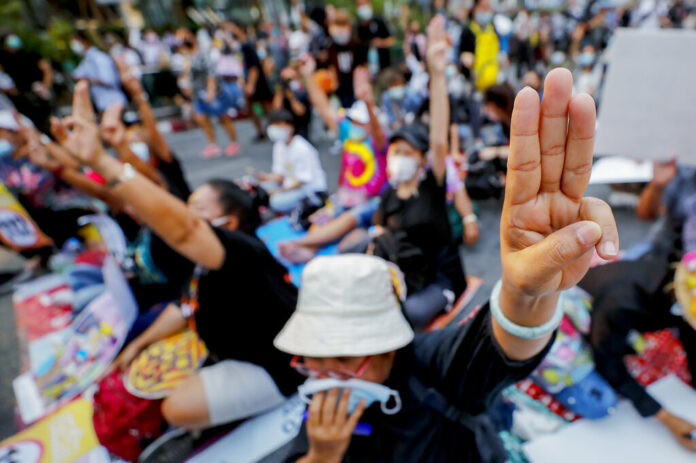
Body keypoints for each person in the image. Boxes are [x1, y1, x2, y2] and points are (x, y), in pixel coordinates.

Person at [274, 30, 620, 461]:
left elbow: (499, 346)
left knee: (423, 310)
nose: (326, 376)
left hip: (434, 282)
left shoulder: (429, 368)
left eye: (343, 356)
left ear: (385, 345)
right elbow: (359, 221)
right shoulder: (317, 418)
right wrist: (321, 456)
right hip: (398, 275)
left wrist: (527, 291)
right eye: (312, 357)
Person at [55, 81, 304, 432]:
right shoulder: (198, 262)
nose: (185, 214)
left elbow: (185, 228)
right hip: (227, 350)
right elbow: (183, 305)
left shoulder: (243, 252)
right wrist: (138, 346)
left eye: (196, 209)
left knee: (174, 409)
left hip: (277, 368)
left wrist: (102, 160)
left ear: (227, 223)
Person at [299, 51, 387, 209]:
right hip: (346, 199)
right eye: (353, 120)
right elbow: (324, 107)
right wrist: (309, 76)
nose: (355, 124)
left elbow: (378, 131)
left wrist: (367, 103)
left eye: (360, 122)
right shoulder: (347, 134)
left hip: (372, 202)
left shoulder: (378, 141)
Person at [255, 110, 328, 213]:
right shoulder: (279, 145)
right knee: (262, 188)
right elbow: (279, 174)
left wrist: (279, 191)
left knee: (276, 201)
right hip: (289, 184)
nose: (274, 129)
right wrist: (265, 177)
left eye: (278, 125)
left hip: (309, 189)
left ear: (290, 127)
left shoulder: (302, 148)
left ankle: (307, 204)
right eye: (273, 125)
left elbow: (302, 180)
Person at [185, 36, 241, 158]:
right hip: (198, 95)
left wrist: (211, 91)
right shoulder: (189, 58)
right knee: (202, 118)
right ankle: (213, 144)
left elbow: (211, 74)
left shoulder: (202, 55)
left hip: (213, 93)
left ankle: (233, 143)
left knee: (224, 117)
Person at [229, 22, 274, 142]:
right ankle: (261, 131)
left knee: (266, 106)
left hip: (256, 81)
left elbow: (254, 67)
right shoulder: (238, 46)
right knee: (251, 107)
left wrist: (250, 84)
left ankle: (274, 127)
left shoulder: (247, 45)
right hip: (247, 81)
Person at [0, 34, 53, 132]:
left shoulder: (30, 54)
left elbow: (47, 69)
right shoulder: (4, 59)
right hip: (22, 99)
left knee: (50, 120)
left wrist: (45, 87)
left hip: (38, 93)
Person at [70, 30, 127, 113]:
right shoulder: (87, 59)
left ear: (84, 41)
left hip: (113, 103)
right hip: (103, 105)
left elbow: (108, 79)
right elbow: (76, 74)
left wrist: (88, 80)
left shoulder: (99, 58)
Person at [328, 9, 368, 108]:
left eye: (343, 24)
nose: (341, 28)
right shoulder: (331, 47)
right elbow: (331, 66)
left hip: (355, 84)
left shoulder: (357, 45)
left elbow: (363, 66)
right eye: (338, 24)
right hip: (339, 85)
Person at [458, 0, 500, 91]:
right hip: (474, 83)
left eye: (488, 7)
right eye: (483, 7)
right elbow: (461, 53)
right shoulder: (468, 30)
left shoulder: (492, 29)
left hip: (493, 81)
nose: (486, 10)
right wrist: (465, 57)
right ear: (475, 8)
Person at [354, 0, 395, 72]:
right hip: (366, 70)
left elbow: (391, 41)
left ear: (369, 4)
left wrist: (381, 43)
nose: (362, 7)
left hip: (384, 68)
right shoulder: (357, 26)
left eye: (364, 4)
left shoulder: (380, 20)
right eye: (359, 5)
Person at [272, 66, 311, 140]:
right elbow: (276, 109)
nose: (289, 83)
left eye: (291, 79)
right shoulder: (281, 93)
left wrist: (292, 98)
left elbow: (301, 112)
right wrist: (280, 90)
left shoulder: (301, 93)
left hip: (300, 127)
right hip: (286, 126)